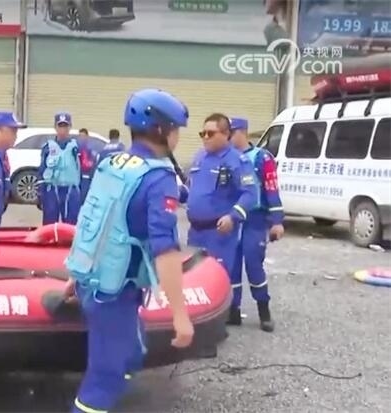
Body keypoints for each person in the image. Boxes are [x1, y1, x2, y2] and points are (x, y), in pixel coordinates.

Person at [63, 88, 194, 413]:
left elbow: (92, 221)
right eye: (176, 129)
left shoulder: (112, 163)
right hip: (115, 292)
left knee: (132, 351)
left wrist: (77, 274)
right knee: (104, 379)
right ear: (161, 130)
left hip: (95, 280)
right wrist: (180, 316)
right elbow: (165, 250)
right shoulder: (158, 178)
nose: (178, 136)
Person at [186, 113, 261, 316]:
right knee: (194, 277)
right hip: (196, 232)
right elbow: (191, 187)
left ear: (226, 134)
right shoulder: (199, 157)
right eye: (202, 133)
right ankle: (198, 320)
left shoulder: (237, 161)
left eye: (210, 133)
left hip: (219, 233)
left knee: (216, 278)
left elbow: (250, 193)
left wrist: (233, 216)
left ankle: (219, 321)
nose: (205, 138)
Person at [228, 117, 283, 332]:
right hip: (233, 219)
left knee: (254, 265)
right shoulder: (227, 158)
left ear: (242, 132)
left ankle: (264, 311)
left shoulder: (262, 158)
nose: (228, 137)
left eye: (231, 133)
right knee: (231, 266)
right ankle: (233, 311)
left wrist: (277, 221)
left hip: (255, 219)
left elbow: (271, 188)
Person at [38, 112, 82, 225]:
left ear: (70, 127)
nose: (63, 129)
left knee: (71, 224)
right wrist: (40, 193)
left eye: (65, 126)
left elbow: (83, 170)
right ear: (55, 127)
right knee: (50, 223)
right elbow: (42, 169)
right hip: (52, 189)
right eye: (60, 126)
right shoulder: (48, 147)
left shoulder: (77, 147)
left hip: (71, 190)